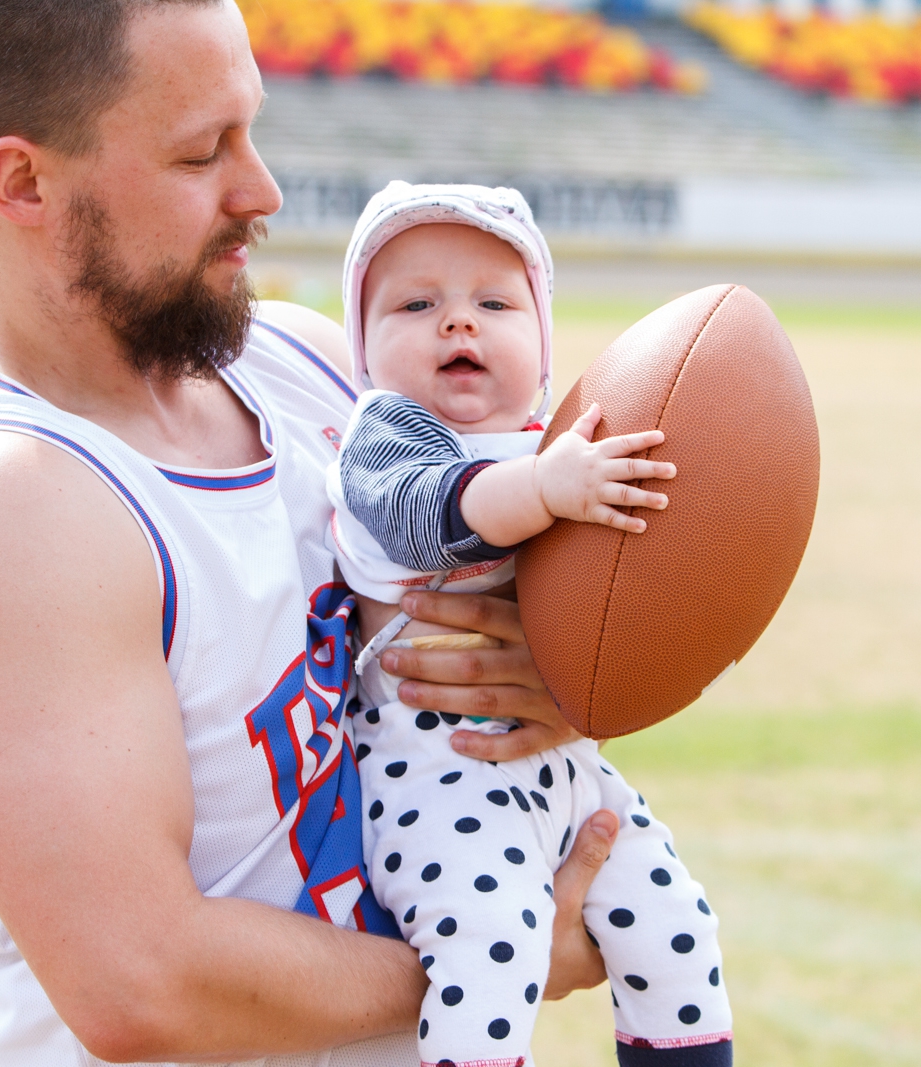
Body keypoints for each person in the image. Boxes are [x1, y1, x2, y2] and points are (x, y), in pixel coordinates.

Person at [0, 3, 619, 1065]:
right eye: (199, 150)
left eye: (249, 130)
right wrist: (497, 952)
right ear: (24, 185)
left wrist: (554, 669)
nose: (259, 189)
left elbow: (509, 552)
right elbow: (146, 983)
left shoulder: (305, 364)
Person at [328, 183, 733, 1067]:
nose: (457, 325)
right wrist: (549, 489)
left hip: (562, 766)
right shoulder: (383, 441)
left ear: (544, 346)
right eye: (416, 303)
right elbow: (427, 511)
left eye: (494, 303)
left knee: (675, 922)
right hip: (436, 775)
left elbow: (624, 596)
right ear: (362, 350)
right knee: (492, 940)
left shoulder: (558, 443)